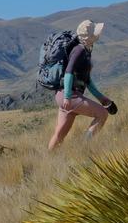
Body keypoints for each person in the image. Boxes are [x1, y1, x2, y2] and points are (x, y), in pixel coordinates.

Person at [48, 20, 117, 150]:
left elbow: (87, 81)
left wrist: (102, 98)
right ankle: (83, 148)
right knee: (102, 114)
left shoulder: (84, 51)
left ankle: (46, 160)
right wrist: (68, 96)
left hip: (63, 95)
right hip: (69, 96)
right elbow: (68, 72)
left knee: (59, 134)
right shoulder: (79, 50)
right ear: (89, 36)